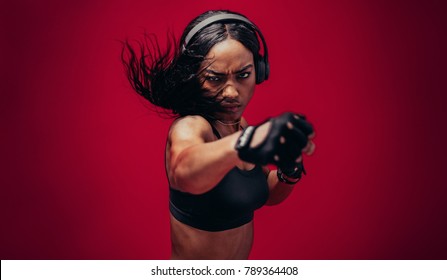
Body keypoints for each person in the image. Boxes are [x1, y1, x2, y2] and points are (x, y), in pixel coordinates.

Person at [121, 10, 316, 260]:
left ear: (260, 70)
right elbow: (185, 171)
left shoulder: (240, 126)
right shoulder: (191, 127)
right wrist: (246, 143)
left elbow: (262, 193)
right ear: (194, 79)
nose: (232, 92)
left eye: (243, 75)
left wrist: (289, 171)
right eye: (215, 79)